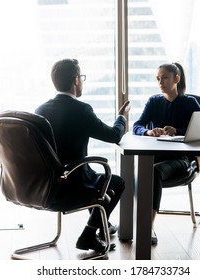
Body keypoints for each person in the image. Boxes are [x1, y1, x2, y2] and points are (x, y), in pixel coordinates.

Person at [35, 58, 130, 253]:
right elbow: (113, 135)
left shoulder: (40, 110)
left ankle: (104, 227)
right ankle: (88, 234)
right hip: (72, 184)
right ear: (76, 80)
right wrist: (122, 117)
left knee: (98, 184)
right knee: (116, 183)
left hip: (46, 186)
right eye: (82, 78)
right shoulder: (81, 110)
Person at [133, 62, 200, 245]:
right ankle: (142, 223)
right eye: (158, 78)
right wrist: (148, 132)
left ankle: (147, 227)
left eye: (165, 78)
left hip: (180, 160)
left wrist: (177, 130)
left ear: (176, 79)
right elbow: (137, 126)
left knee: (151, 172)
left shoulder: (189, 103)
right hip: (155, 157)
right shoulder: (154, 101)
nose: (160, 82)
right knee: (144, 171)